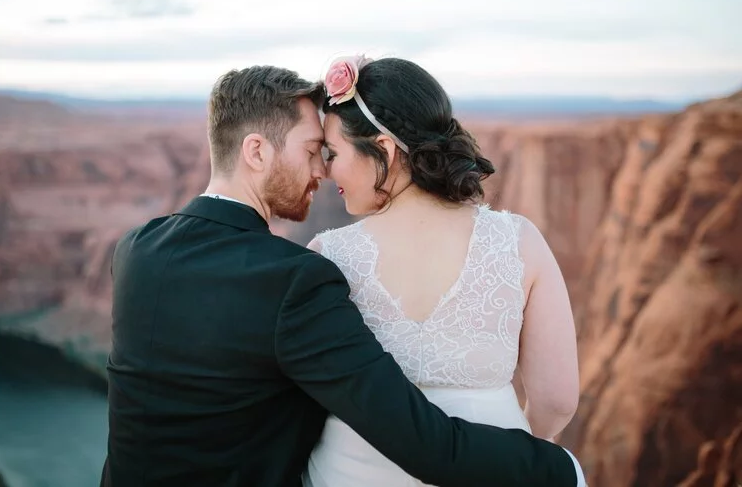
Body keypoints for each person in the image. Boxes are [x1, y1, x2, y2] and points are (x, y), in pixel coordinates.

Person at [100, 64, 585, 487]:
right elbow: (427, 444)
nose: (321, 171)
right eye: (314, 150)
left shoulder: (136, 250)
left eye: (328, 152)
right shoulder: (296, 278)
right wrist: (559, 470)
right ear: (256, 151)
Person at [303, 56, 582, 486]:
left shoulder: (328, 256)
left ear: (384, 149)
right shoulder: (519, 241)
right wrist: (513, 453)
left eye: (333, 153)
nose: (325, 171)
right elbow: (557, 399)